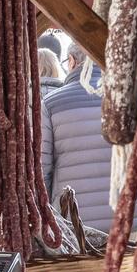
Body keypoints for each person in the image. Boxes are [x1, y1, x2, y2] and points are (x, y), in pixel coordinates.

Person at [40, 45, 113, 232]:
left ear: (72, 61)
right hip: (126, 219)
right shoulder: (125, 99)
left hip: (73, 222)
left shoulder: (51, 103)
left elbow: (41, 169)